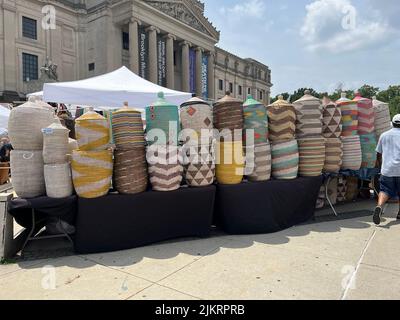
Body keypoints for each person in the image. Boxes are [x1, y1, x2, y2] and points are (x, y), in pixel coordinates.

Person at [374, 114, 400, 225]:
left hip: (387, 170)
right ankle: (399, 213)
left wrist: (380, 166)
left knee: (384, 190)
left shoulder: (384, 135)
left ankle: (379, 207)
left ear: (392, 123)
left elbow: (378, 153)